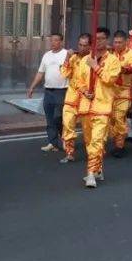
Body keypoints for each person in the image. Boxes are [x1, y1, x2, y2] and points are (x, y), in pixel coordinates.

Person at [72, 28, 121, 188]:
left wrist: (95, 67)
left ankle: (91, 173)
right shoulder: (85, 59)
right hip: (86, 106)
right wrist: (85, 91)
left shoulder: (113, 60)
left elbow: (110, 79)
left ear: (107, 40)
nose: (99, 41)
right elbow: (77, 81)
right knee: (89, 141)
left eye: (102, 38)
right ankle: (98, 168)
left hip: (103, 107)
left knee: (98, 141)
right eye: (96, 39)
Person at [28, 33, 69, 153]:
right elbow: (40, 73)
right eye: (51, 40)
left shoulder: (67, 54)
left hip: (62, 90)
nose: (53, 43)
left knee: (59, 117)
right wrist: (32, 87)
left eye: (56, 40)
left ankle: (66, 140)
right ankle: (52, 143)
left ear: (61, 42)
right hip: (48, 91)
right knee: (50, 119)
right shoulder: (46, 55)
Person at [59, 33, 91, 164]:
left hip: (86, 98)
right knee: (67, 125)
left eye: (85, 45)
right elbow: (64, 74)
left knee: (88, 128)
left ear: (90, 46)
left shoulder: (92, 59)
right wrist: (67, 56)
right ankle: (69, 153)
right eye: (80, 45)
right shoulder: (72, 58)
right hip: (72, 96)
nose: (82, 48)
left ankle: (92, 154)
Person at [107, 31, 132, 157]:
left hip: (125, 90)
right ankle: (117, 142)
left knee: (119, 117)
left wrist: (123, 69)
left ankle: (120, 146)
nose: (117, 44)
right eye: (115, 42)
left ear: (126, 42)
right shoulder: (110, 54)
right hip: (110, 91)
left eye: (120, 42)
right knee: (111, 118)